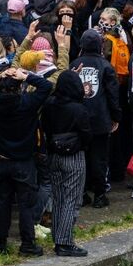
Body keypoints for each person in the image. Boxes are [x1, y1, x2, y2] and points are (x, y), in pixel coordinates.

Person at [0, 65, 51, 256]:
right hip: (24, 161)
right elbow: (46, 87)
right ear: (19, 88)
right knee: (25, 204)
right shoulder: (27, 103)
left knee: (3, 203)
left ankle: (1, 242)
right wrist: (26, 76)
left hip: (2, 159)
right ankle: (27, 242)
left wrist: (0, 74)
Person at [41, 70, 92, 256]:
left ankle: (58, 238)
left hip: (53, 155)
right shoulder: (79, 109)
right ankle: (65, 242)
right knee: (72, 199)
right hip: (74, 156)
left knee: (59, 198)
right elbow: (86, 134)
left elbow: (44, 127)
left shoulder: (49, 105)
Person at [74, 30, 121, 207]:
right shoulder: (106, 66)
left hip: (78, 118)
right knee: (99, 158)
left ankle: (82, 192)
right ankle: (100, 194)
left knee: (81, 157)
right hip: (100, 118)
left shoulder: (75, 63)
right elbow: (112, 95)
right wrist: (116, 116)